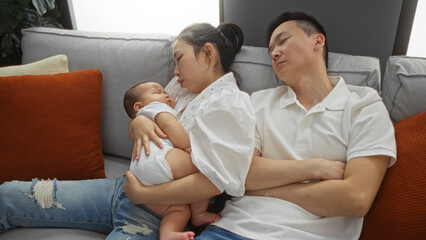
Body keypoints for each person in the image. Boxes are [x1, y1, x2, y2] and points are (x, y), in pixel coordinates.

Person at [124, 12, 396, 240]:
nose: (275, 53)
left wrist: (267, 188)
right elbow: (242, 175)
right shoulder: (258, 101)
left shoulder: (364, 105)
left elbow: (355, 198)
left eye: (283, 41)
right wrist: (315, 168)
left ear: (317, 41)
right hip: (230, 228)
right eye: (270, 50)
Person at [0, 22, 260, 240]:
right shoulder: (181, 87)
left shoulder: (231, 104)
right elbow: (144, 116)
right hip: (122, 187)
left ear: (207, 53)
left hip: (158, 213)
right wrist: (138, 123)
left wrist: (145, 194)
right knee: (6, 195)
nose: (176, 72)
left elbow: (214, 182)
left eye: (179, 59)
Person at [123, 81, 220, 240]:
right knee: (204, 166)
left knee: (178, 210)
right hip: (161, 159)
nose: (166, 94)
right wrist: (186, 145)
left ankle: (168, 234)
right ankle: (199, 213)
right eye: (158, 92)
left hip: (140, 173)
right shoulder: (155, 108)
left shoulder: (144, 115)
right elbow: (170, 124)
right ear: (139, 107)